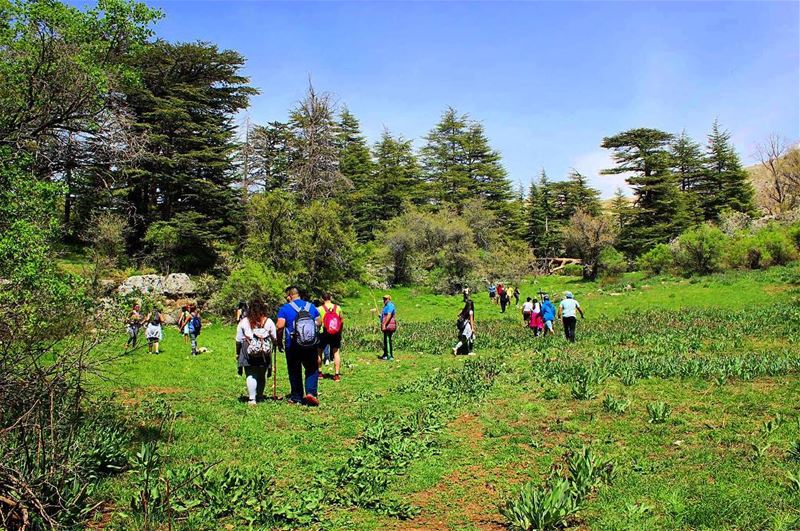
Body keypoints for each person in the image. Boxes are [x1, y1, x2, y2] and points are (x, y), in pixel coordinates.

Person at [276, 287, 322, 406]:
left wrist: (279, 341)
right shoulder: (311, 306)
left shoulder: (285, 308)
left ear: (289, 296)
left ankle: (296, 396)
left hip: (293, 345)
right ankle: (311, 393)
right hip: (310, 344)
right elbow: (319, 322)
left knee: (294, 370)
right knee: (312, 368)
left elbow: (280, 326)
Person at [237, 301, 276, 406]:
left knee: (251, 374)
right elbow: (274, 337)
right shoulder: (268, 321)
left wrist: (237, 352)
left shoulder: (244, 321)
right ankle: (259, 395)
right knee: (261, 374)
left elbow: (238, 339)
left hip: (248, 350)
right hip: (264, 351)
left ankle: (252, 399)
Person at [317, 293, 344, 382]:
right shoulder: (338, 308)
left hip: (323, 333)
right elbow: (341, 321)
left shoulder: (320, 309)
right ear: (330, 298)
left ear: (322, 299)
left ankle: (320, 373)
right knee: (336, 353)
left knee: (319, 352)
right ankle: (336, 375)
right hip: (335, 333)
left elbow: (319, 323)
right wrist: (339, 332)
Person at [380, 294, 397, 361]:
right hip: (387, 324)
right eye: (384, 299)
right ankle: (385, 354)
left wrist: (384, 324)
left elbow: (389, 315)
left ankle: (389, 356)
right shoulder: (386, 306)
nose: (384, 300)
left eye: (386, 299)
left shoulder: (390, 305)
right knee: (386, 339)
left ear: (389, 299)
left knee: (387, 340)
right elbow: (385, 315)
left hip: (389, 325)